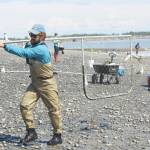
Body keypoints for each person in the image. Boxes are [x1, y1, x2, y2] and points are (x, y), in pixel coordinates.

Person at [0, 24, 63, 146]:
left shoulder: (41, 50)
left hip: (47, 83)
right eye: (30, 35)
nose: (31, 37)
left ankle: (57, 135)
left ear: (42, 36)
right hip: (35, 83)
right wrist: (10, 42)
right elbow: (26, 47)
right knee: (24, 105)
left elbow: (23, 52)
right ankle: (31, 131)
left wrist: (5, 46)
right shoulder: (32, 45)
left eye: (34, 35)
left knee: (53, 110)